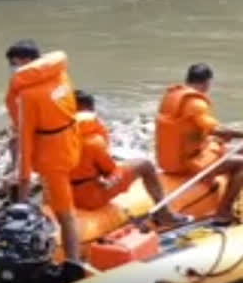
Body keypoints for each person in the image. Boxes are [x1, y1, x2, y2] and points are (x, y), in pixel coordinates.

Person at [4, 39, 81, 262]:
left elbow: (26, 144)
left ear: (26, 62)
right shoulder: (59, 74)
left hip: (52, 157)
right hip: (70, 141)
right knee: (57, 196)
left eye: (14, 63)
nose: (12, 68)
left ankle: (73, 261)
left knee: (66, 214)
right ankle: (52, 221)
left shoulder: (28, 96)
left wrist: (24, 192)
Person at [71, 89, 189, 224]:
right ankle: (164, 214)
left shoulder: (55, 138)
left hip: (62, 196)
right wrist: (111, 178)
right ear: (90, 110)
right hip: (88, 198)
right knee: (146, 165)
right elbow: (111, 173)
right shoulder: (93, 141)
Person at [155, 63, 243, 224]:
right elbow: (219, 130)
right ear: (207, 82)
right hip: (187, 163)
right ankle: (223, 211)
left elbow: (191, 130)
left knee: (232, 148)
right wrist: (238, 133)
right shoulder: (196, 104)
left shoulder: (171, 98)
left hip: (169, 161)